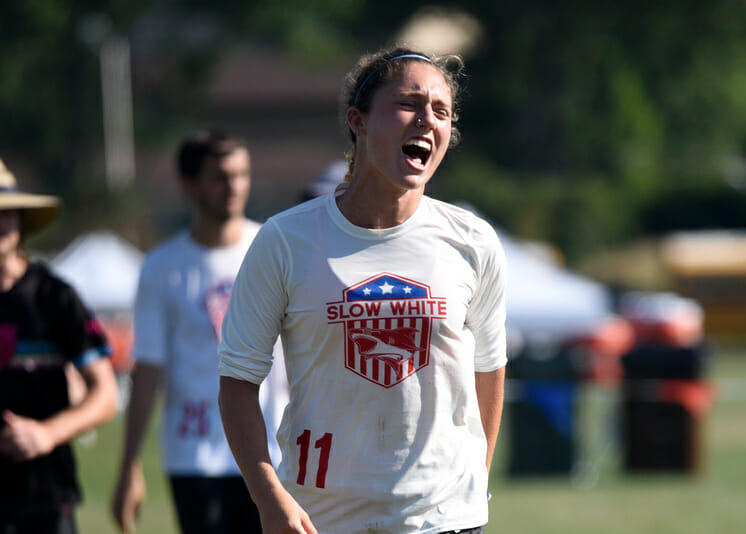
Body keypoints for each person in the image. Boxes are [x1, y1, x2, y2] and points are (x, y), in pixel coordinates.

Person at [218, 47, 508, 534]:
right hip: (320, 519)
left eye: (441, 111)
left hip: (445, 519)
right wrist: (269, 496)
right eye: (410, 103)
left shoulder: (472, 241)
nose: (427, 120)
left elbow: (489, 369)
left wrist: (473, 481)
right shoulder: (286, 240)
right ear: (359, 120)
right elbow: (237, 381)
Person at [111, 130, 289, 534]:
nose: (235, 186)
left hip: (272, 450)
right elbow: (147, 369)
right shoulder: (162, 267)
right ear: (188, 186)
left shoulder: (275, 247)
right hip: (194, 456)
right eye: (220, 176)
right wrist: (129, 466)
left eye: (242, 174)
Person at [0, 158, 119, 533]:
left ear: (20, 220)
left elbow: (106, 395)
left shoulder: (55, 297)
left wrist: (46, 434)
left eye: (6, 212)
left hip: (45, 498)